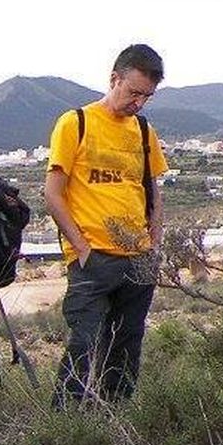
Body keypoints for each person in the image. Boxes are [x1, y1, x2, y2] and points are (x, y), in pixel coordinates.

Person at [43, 44, 169, 407]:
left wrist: (154, 246)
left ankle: (115, 421)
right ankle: (65, 424)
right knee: (83, 345)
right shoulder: (76, 123)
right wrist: (82, 249)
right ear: (115, 79)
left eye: (147, 96)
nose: (139, 103)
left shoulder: (143, 130)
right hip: (93, 259)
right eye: (134, 92)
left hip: (138, 258)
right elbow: (53, 194)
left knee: (126, 349)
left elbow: (153, 192)